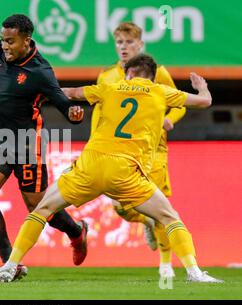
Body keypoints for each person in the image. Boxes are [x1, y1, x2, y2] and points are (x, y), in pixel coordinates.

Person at [0, 54, 223, 284]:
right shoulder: (162, 91)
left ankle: (9, 266)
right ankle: (194, 272)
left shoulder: (110, 87)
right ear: (152, 76)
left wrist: (33, 93)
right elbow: (205, 102)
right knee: (169, 218)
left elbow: (71, 93)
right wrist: (202, 87)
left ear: (128, 73)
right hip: (126, 172)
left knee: (42, 210)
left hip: (90, 166)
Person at [0, 14, 88, 279]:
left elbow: (62, 104)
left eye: (11, 41)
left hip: (26, 144)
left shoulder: (40, 72)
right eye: (3, 40)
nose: (5, 46)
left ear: (27, 40)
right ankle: (10, 263)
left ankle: (77, 231)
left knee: (38, 208)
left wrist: (74, 114)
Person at [71, 22, 186, 279]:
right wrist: (92, 144)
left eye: (129, 42)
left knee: (161, 207)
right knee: (121, 207)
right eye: (120, 43)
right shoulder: (107, 75)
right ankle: (144, 221)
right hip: (117, 151)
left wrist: (170, 120)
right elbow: (99, 113)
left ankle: (165, 266)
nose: (124, 47)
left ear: (140, 44)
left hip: (152, 149)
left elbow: (180, 104)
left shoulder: (159, 73)